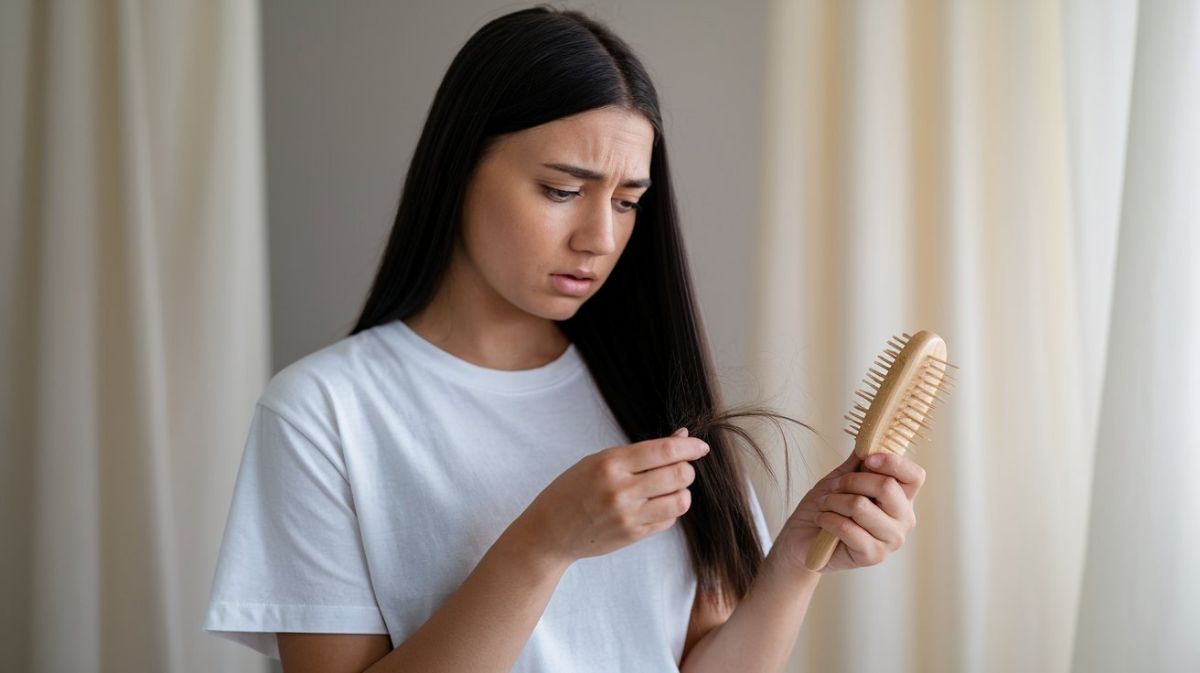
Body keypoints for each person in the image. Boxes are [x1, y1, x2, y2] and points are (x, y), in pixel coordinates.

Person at [203, 5, 926, 672]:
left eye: (627, 201)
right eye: (560, 190)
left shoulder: (658, 394)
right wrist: (544, 542)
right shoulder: (323, 412)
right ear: (458, 167)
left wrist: (796, 558)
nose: (600, 237)